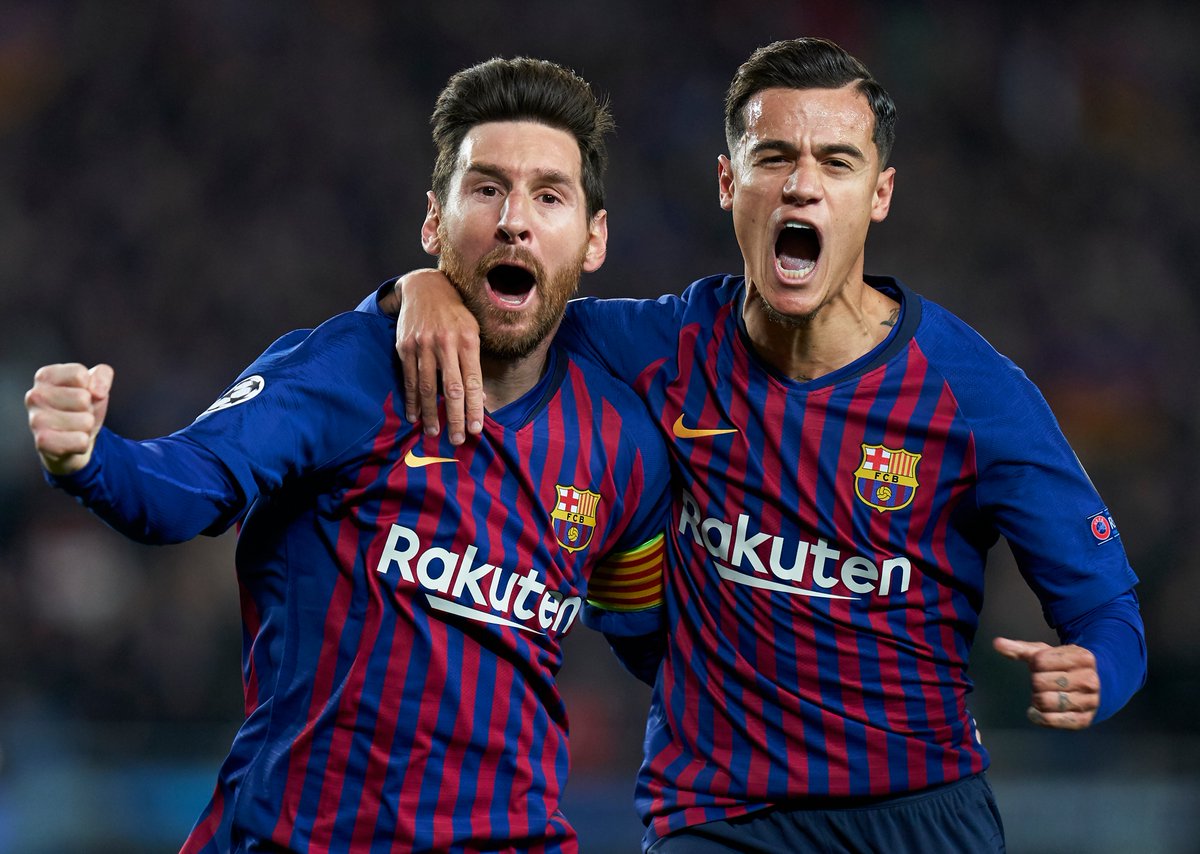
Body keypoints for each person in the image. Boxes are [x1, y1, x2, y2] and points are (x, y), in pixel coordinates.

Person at [377, 37, 1147, 853]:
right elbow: (509, 312)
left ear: (880, 194)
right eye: (774, 156)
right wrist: (416, 289)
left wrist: (1098, 670)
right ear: (728, 182)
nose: (802, 184)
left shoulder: (975, 394)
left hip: (920, 813)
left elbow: (1107, 611)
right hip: (719, 815)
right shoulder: (654, 348)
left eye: (837, 162)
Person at [24, 57, 672, 853]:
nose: (514, 220)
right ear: (434, 222)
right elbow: (179, 490)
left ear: (593, 237)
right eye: (486, 189)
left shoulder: (623, 445)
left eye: (549, 195)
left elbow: (658, 645)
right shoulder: (348, 371)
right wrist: (89, 455)